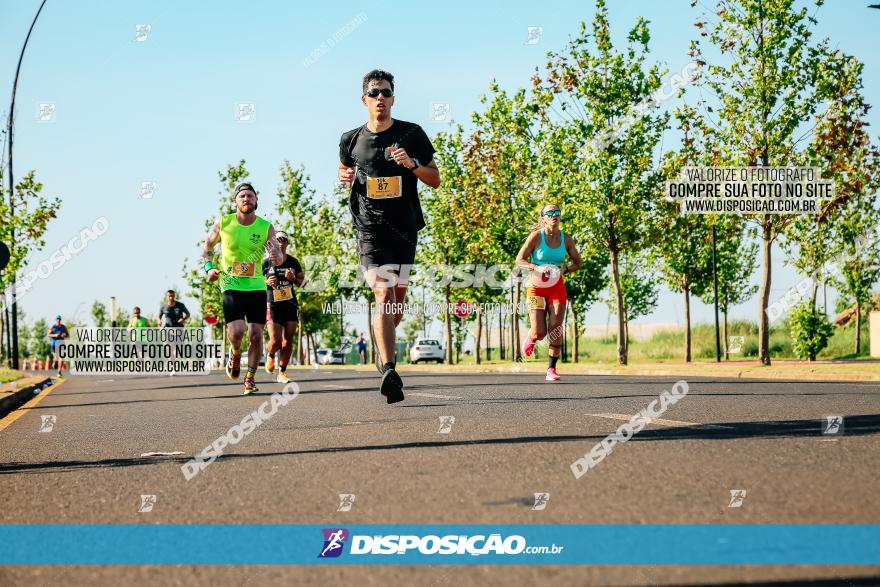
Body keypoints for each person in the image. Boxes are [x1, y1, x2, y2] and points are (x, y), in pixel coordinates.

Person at [338, 69, 441, 403]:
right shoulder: (350, 139)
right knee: (383, 293)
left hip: (405, 228)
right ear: (363, 99)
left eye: (385, 92)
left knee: (395, 307)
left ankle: (382, 341)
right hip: (369, 230)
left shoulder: (412, 133)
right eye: (373, 92)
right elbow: (345, 171)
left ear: (393, 98)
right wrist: (344, 178)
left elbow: (435, 179)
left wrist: (411, 164)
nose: (379, 97)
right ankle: (389, 370)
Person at [204, 182, 283, 394]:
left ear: (256, 200)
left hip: (256, 286)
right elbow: (208, 247)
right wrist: (209, 267)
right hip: (230, 283)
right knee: (237, 332)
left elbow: (278, 254)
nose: (246, 199)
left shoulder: (266, 227)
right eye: (242, 196)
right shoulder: (224, 222)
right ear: (235, 201)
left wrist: (277, 256)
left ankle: (250, 378)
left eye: (250, 196)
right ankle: (236, 352)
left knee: (256, 335)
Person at [515, 204, 582, 381]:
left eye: (557, 213)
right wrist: (536, 267)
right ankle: (532, 336)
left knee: (556, 327)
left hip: (557, 287)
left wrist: (564, 270)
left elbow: (578, 262)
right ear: (543, 218)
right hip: (536, 288)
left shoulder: (566, 239)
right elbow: (519, 260)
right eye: (550, 213)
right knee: (540, 332)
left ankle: (551, 369)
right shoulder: (536, 237)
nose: (554, 215)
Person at [262, 231, 304, 384]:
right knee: (276, 340)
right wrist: (265, 282)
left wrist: (293, 279)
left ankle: (282, 372)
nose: (280, 242)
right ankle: (271, 354)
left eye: (283, 240)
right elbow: (255, 282)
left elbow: (304, 283)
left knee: (288, 340)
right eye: (277, 239)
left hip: (290, 304)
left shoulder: (293, 262)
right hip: (272, 304)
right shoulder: (266, 263)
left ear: (287, 243)